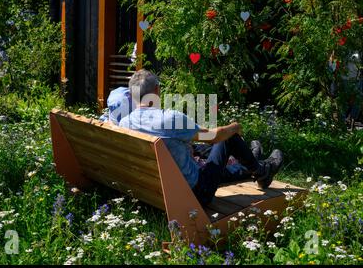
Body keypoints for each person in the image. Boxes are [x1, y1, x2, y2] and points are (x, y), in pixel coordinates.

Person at [119, 69, 284, 206]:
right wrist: (235, 127)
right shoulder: (169, 119)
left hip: (150, 190)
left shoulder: (124, 123)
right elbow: (214, 136)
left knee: (203, 151)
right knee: (228, 138)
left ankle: (256, 164)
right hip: (194, 194)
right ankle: (262, 171)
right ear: (156, 90)